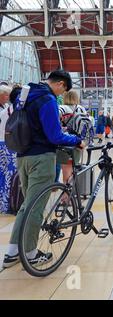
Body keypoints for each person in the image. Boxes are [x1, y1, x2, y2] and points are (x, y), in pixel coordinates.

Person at [2, 70, 85, 269]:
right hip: (41, 158)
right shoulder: (47, 99)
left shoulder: (23, 96)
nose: (60, 95)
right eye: (62, 90)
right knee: (36, 207)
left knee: (26, 205)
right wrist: (76, 140)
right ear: (61, 84)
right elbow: (55, 136)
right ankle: (30, 253)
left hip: (22, 157)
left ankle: (13, 251)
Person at [56, 90, 86, 184]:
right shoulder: (81, 108)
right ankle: (71, 192)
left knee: (66, 169)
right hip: (77, 142)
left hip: (64, 141)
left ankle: (66, 194)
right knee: (74, 167)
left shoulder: (61, 108)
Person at [0, 85, 15, 214]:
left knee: (5, 175)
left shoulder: (5, 109)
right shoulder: (8, 110)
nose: (7, 98)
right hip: (5, 145)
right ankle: (5, 204)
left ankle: (5, 203)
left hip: (5, 144)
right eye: (6, 95)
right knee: (7, 175)